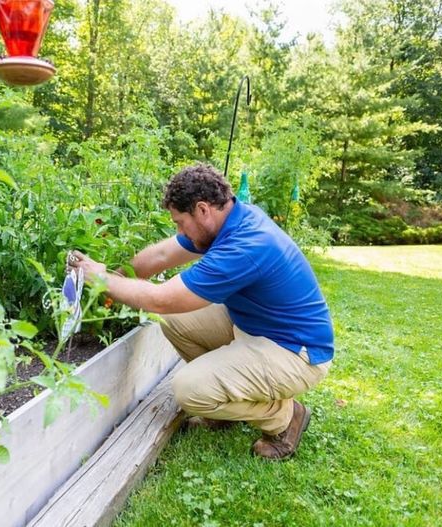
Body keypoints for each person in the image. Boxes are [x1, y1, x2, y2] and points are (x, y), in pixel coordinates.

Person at [68, 163, 334, 460]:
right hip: (256, 330)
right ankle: (225, 405)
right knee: (173, 320)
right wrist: (116, 276)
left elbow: (161, 299)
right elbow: (161, 254)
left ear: (203, 209)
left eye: (180, 222)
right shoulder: (229, 220)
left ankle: (286, 418)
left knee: (188, 389)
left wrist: (103, 281)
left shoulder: (245, 246)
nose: (179, 230)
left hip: (295, 353)